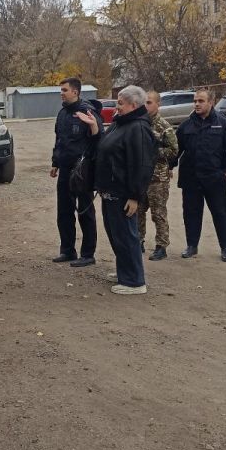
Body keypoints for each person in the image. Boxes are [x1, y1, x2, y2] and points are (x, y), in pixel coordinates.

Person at [77, 85, 157, 294]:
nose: (116, 107)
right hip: (110, 191)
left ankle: (134, 282)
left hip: (123, 194)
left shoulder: (138, 128)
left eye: (120, 103)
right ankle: (125, 271)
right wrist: (95, 128)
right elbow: (103, 146)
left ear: (133, 104)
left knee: (126, 236)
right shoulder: (120, 124)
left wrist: (134, 196)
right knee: (116, 235)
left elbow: (142, 165)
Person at [175, 89, 226, 262]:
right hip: (191, 178)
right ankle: (192, 245)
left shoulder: (223, 123)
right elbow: (176, 150)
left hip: (215, 178)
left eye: (201, 101)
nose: (197, 104)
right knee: (191, 213)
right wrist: (168, 165)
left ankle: (225, 247)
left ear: (211, 102)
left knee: (221, 213)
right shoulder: (186, 125)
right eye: (195, 101)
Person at [50, 77, 103, 267]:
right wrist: (55, 162)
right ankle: (67, 250)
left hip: (82, 171)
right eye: (61, 90)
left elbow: (99, 139)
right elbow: (59, 140)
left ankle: (88, 254)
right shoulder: (63, 113)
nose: (61, 93)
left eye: (65, 90)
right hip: (65, 170)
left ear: (76, 92)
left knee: (85, 212)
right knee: (64, 212)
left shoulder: (88, 112)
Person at [137, 91, 179, 260]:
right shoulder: (140, 124)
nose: (145, 106)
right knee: (138, 211)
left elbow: (174, 151)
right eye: (144, 103)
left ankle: (161, 246)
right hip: (141, 177)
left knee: (158, 213)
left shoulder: (164, 126)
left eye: (149, 102)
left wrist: (155, 151)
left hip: (157, 179)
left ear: (157, 104)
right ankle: (138, 241)